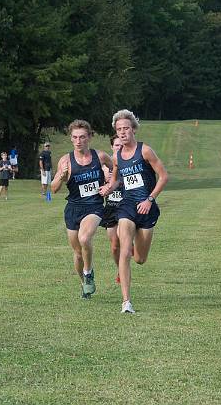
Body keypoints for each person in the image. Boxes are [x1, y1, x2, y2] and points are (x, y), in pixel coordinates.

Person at [100, 109, 169, 314]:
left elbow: (164, 176)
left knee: (139, 258)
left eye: (126, 128)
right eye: (119, 129)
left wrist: (149, 199)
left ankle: (131, 254)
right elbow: (116, 180)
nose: (122, 132)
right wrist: (109, 188)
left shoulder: (145, 151)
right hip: (127, 206)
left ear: (133, 129)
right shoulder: (117, 156)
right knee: (124, 250)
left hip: (146, 207)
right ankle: (126, 302)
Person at [51, 120, 114, 300]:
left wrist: (109, 184)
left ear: (90, 137)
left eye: (82, 137)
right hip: (73, 208)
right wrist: (61, 177)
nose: (79, 141)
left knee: (85, 238)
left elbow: (115, 169)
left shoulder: (100, 156)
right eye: (75, 137)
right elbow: (53, 188)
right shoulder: (66, 161)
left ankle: (88, 273)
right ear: (71, 139)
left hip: (94, 207)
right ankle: (84, 282)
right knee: (78, 253)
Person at [100, 135, 124, 283]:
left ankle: (130, 245)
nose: (119, 147)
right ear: (112, 147)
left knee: (123, 237)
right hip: (110, 207)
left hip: (126, 206)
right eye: (116, 145)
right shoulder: (104, 166)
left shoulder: (130, 162)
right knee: (115, 247)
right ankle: (120, 271)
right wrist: (104, 180)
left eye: (121, 145)